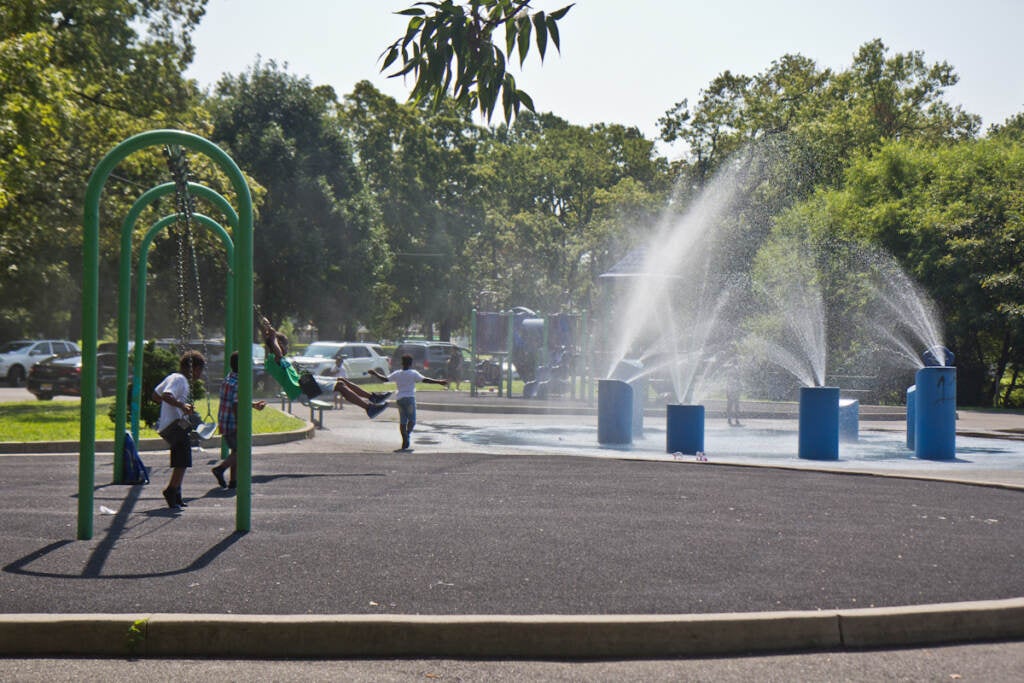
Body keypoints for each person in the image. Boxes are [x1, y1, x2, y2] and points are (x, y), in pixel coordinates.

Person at [258, 313, 388, 418]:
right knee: (340, 386)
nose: (287, 348)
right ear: (278, 346)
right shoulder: (273, 359)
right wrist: (274, 337)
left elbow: (272, 345)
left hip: (305, 382)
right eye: (285, 346)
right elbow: (277, 352)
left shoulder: (275, 357)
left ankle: (373, 398)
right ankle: (369, 408)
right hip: (301, 389)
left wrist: (269, 331)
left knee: (341, 380)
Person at [153, 350, 206, 510]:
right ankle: (171, 490)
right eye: (200, 370)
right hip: (174, 425)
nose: (200, 375)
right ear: (193, 368)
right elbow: (167, 395)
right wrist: (181, 406)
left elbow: (156, 395)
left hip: (169, 424)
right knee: (182, 460)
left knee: (181, 459)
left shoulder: (173, 377)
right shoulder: (180, 379)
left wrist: (175, 408)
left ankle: (177, 494)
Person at [212, 351, 268, 489]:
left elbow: (238, 400)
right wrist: (239, 423)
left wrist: (253, 405)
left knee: (235, 451)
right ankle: (220, 468)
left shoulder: (229, 378)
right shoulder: (239, 382)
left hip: (225, 421)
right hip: (233, 422)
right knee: (242, 450)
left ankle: (233, 481)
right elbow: (237, 404)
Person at [370, 354, 447, 451]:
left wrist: (375, 373)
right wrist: (439, 382)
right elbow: (425, 380)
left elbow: (385, 379)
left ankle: (404, 438)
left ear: (402, 363)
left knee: (403, 421)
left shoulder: (397, 373)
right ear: (411, 364)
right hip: (410, 399)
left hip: (400, 399)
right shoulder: (413, 373)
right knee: (412, 421)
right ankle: (407, 434)